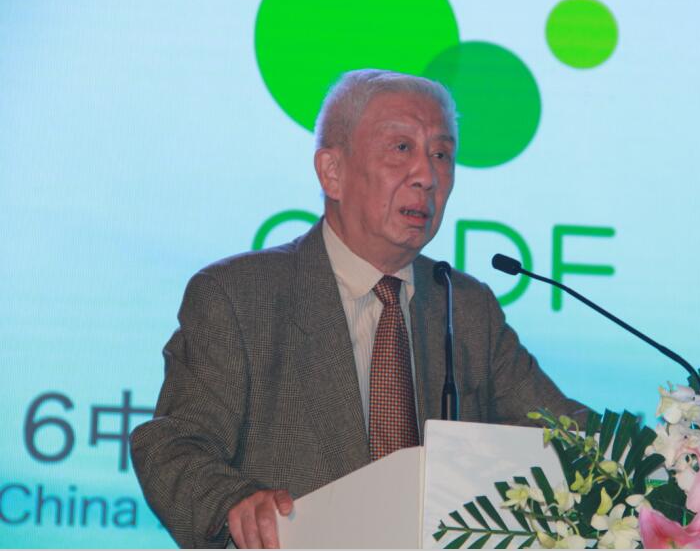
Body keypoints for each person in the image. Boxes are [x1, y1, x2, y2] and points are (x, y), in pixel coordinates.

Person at [131, 69, 590, 548]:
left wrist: (642, 467)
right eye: (401, 148)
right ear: (332, 172)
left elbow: (563, 435)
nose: (427, 176)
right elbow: (172, 443)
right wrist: (232, 501)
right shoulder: (239, 296)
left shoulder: (465, 306)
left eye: (441, 155)